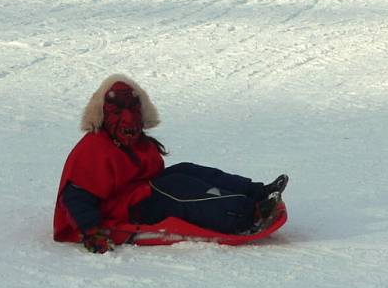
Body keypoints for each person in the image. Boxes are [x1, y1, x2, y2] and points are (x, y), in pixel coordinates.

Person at [53, 74, 289, 253]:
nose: (128, 122)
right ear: (104, 115)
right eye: (117, 112)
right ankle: (244, 214)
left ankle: (257, 192)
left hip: (141, 190)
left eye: (133, 110)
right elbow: (76, 196)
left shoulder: (134, 142)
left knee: (185, 171)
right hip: (124, 207)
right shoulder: (95, 149)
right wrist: (92, 231)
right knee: (177, 191)